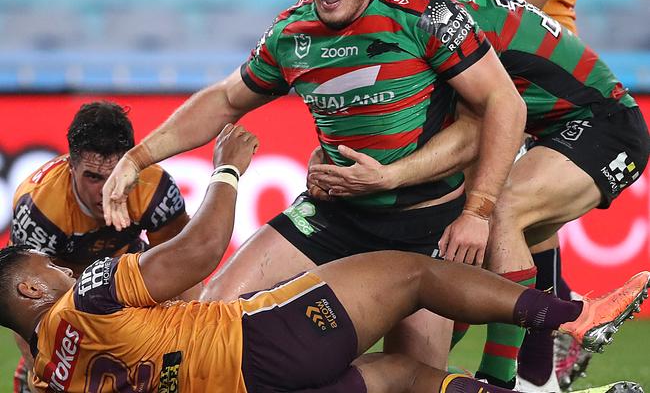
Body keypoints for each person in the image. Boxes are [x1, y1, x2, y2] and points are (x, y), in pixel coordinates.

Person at [102, 0, 526, 372]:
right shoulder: (290, 33)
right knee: (214, 312)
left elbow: (506, 105)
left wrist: (478, 211)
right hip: (333, 212)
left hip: (420, 224)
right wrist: (137, 157)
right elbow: (226, 99)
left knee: (412, 378)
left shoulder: (430, 16)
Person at [1, 124, 648, 393]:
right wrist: (227, 170)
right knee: (411, 271)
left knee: (401, 376)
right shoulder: (85, 291)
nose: (57, 268)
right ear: (29, 294)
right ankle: (568, 316)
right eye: (45, 270)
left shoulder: (44, 382)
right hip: (256, 346)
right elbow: (197, 252)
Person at [306, 0, 650, 391]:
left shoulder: (450, 21)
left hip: (605, 127)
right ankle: (539, 377)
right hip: (559, 127)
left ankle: (503, 381)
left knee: (498, 212)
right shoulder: (445, 10)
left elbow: (471, 132)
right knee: (486, 239)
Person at [465, 0, 588, 387]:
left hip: (528, 55)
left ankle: (536, 371)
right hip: (520, 49)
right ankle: (551, 345)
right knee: (523, 219)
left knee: (512, 212)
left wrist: (486, 49)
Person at [8, 101, 196, 393]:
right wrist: (43, 374)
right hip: (65, 298)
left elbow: (183, 267)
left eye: (115, 175)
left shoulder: (154, 188)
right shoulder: (40, 208)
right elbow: (23, 310)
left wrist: (192, 347)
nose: (106, 189)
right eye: (93, 177)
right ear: (70, 166)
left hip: (127, 281)